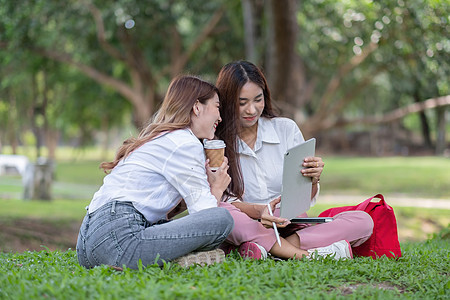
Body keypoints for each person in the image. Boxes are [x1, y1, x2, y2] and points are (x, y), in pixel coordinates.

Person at [215, 60, 374, 260]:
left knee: (363, 221)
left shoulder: (285, 129)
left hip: (289, 223)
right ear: (228, 102)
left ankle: (269, 250)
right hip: (247, 223)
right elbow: (220, 200)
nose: (252, 110)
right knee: (222, 213)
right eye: (242, 102)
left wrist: (313, 179)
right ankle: (303, 255)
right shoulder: (216, 143)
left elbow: (304, 197)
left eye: (258, 99)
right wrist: (260, 211)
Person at [76, 75, 234, 269]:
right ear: (197, 107)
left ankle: (169, 259)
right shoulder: (185, 143)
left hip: (86, 246)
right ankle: (178, 261)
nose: (220, 117)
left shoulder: (161, 137)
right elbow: (206, 214)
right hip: (118, 240)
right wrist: (216, 188)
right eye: (217, 107)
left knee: (162, 224)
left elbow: (161, 212)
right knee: (221, 220)